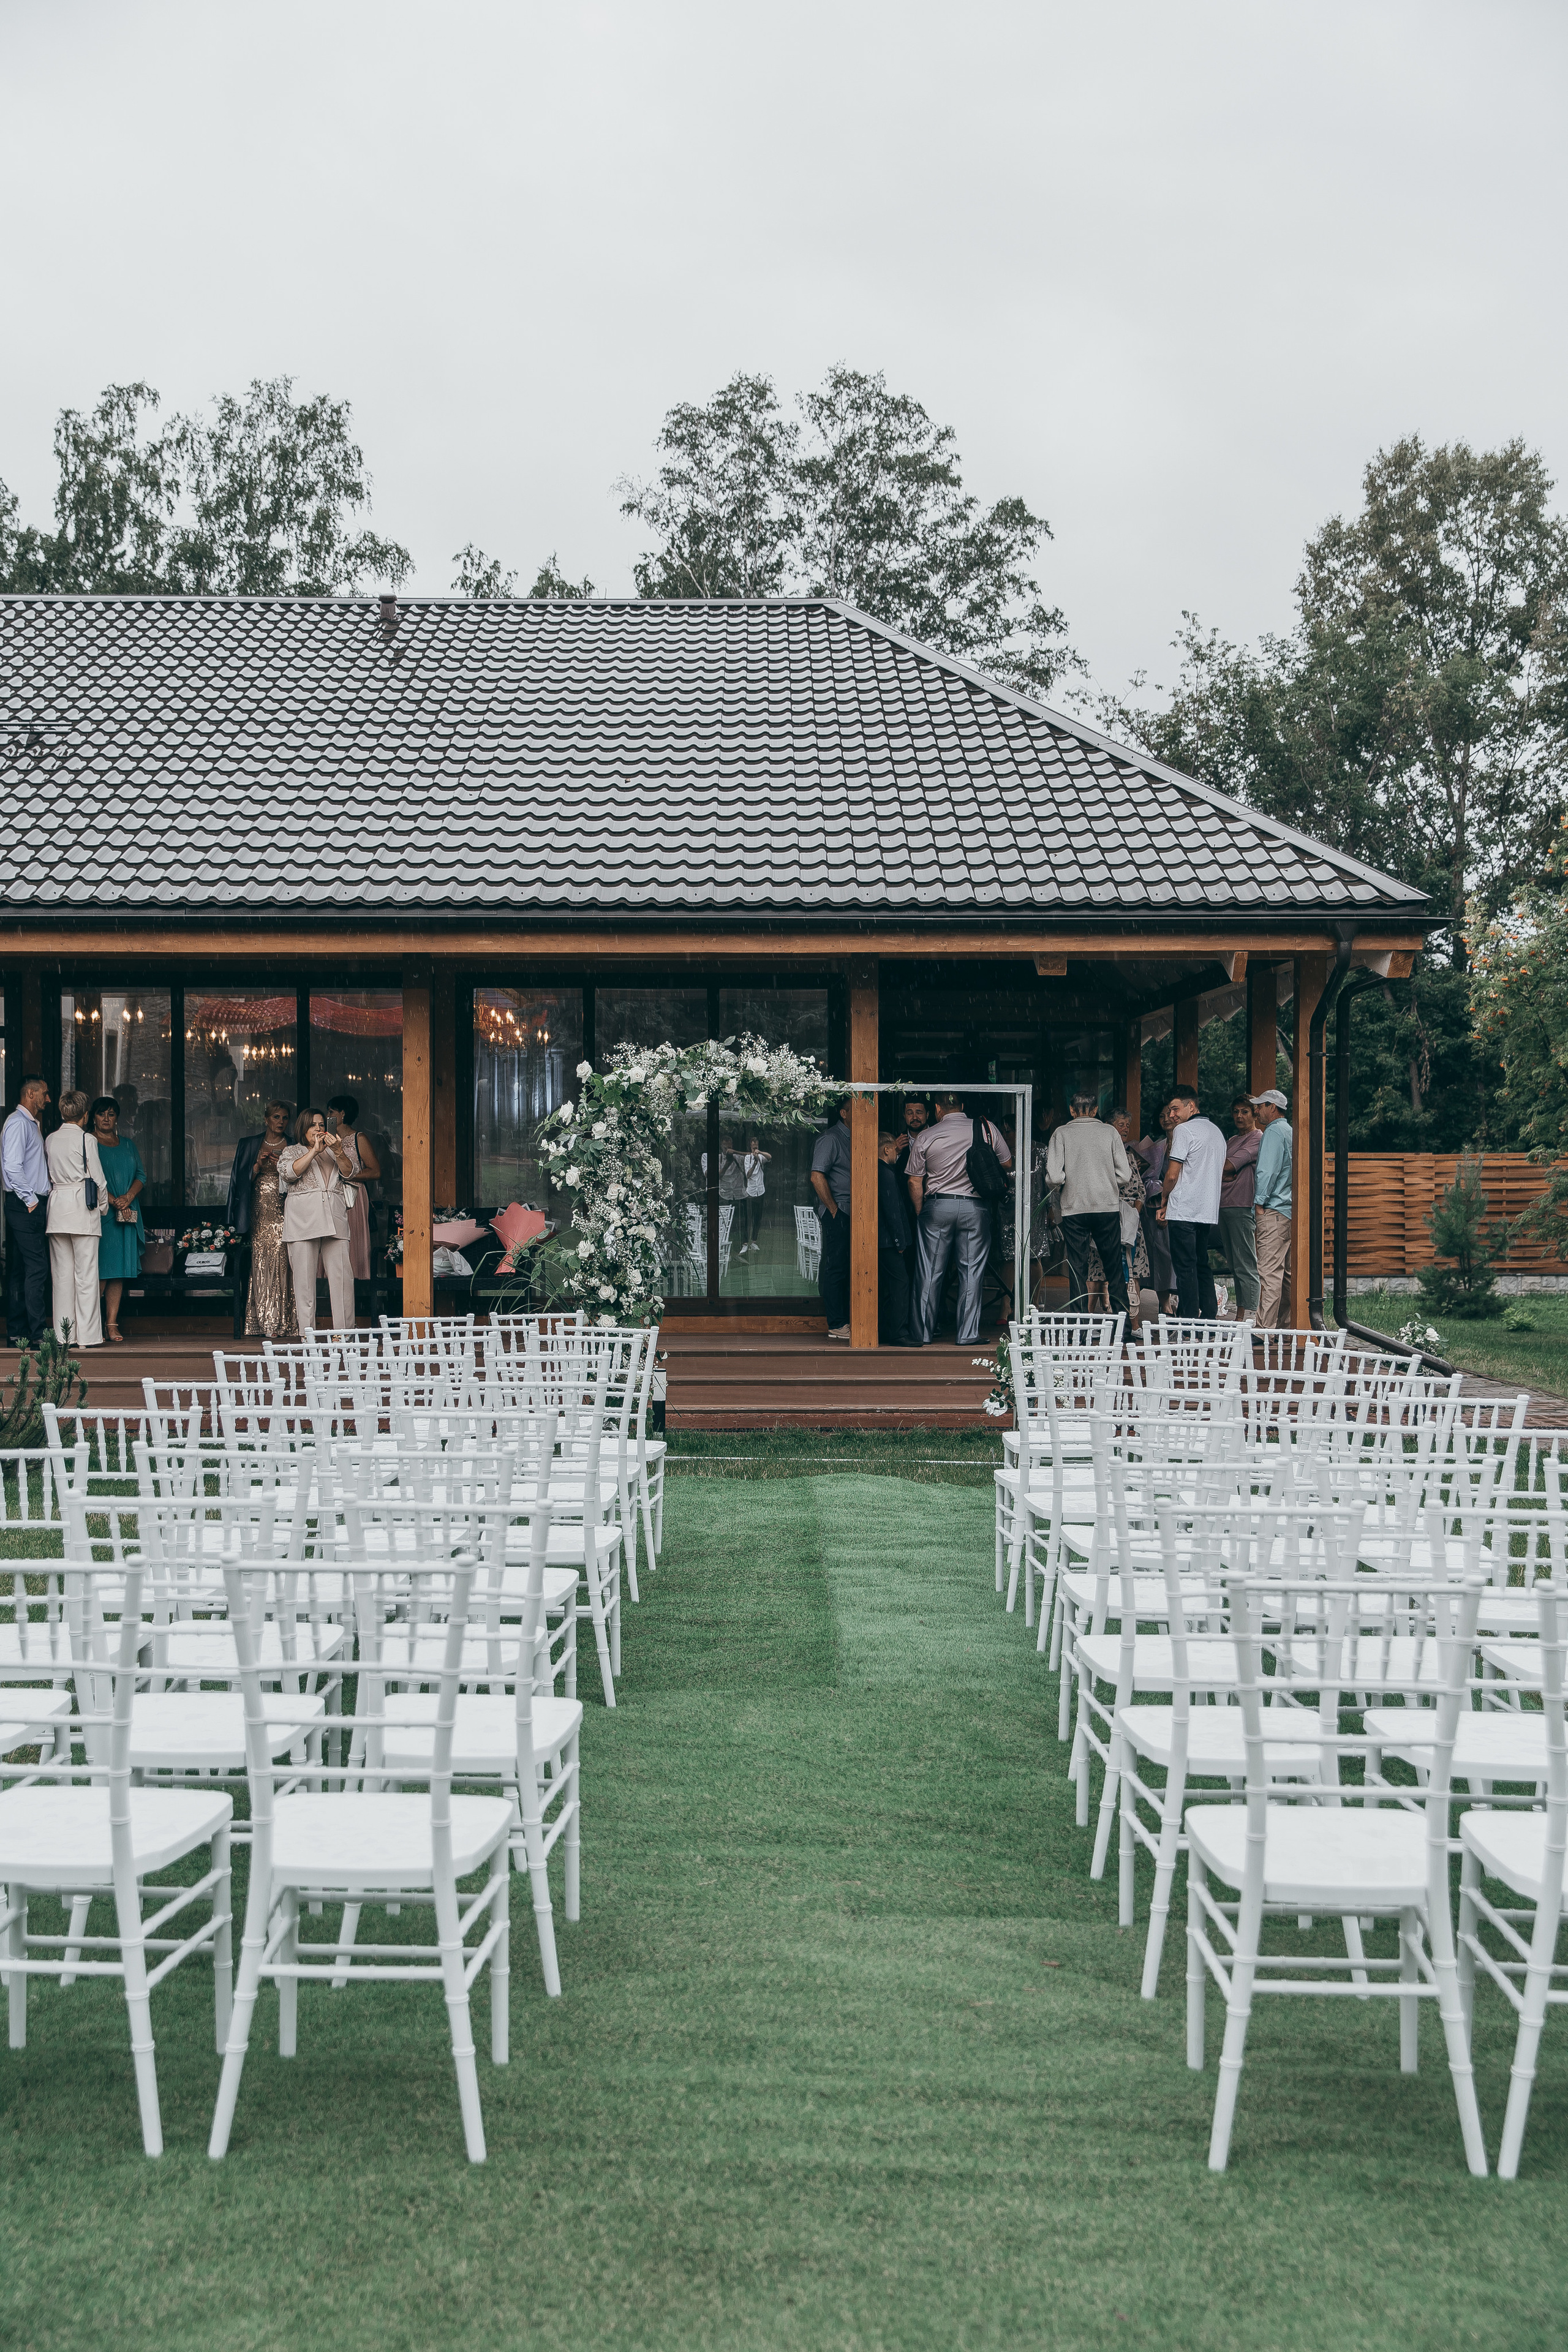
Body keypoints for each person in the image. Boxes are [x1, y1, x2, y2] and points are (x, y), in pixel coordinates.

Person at [907, 1092, 1012, 1347]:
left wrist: (922, 1211)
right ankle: (967, 1334)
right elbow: (1007, 1163)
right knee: (971, 1271)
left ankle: (922, 1334)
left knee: (929, 1273)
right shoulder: (986, 1128)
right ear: (962, 1107)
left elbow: (913, 1179)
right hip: (975, 1207)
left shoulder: (926, 1136)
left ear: (938, 1110)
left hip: (937, 1205)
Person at [1044, 1093, 1131, 1317]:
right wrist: (1107, 1183)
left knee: (1077, 1269)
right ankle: (1124, 1328)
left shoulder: (1061, 1133)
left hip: (1074, 1208)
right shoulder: (1110, 1132)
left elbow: (1054, 1177)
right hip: (1106, 1207)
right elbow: (1125, 1175)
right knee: (1114, 1269)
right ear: (1095, 1110)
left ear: (1072, 1111)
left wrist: (1065, 1184)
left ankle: (1079, 1328)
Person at [277, 1107, 355, 1332]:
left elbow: (351, 1173)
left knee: (343, 1282)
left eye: (322, 1125)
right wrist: (314, 1151)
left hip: (335, 1221)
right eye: (313, 1125)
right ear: (303, 1128)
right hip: (303, 1224)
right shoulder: (292, 1151)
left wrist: (338, 1151)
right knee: (305, 1285)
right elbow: (289, 1173)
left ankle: (344, 1335)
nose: (319, 1129)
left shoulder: (338, 1150)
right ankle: (308, 1337)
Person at [1156, 1088, 1227, 1320]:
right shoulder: (1217, 1132)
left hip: (1184, 1209)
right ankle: (1209, 1316)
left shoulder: (1184, 1131)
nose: (1172, 1115)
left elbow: (1172, 1175)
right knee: (1202, 1265)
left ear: (1191, 1107)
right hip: (1206, 1211)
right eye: (1169, 1111)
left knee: (1185, 1268)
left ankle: (1187, 1321)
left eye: (1176, 1109)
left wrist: (1164, 1199)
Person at [44, 1090, 107, 1348]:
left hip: (57, 1207)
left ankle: (64, 1335)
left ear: (61, 1112)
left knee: (61, 1277)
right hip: (82, 1208)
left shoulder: (50, 1139)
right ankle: (89, 1336)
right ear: (85, 1115)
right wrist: (102, 1208)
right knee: (87, 1275)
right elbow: (99, 1180)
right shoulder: (87, 1140)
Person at [90, 1095, 146, 1344]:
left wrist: (128, 1197)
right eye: (102, 1114)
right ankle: (92, 1326)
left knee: (118, 1273)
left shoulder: (128, 1144)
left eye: (111, 1114)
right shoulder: (88, 1143)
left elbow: (141, 1175)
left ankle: (112, 1324)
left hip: (126, 1213)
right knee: (100, 1271)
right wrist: (113, 1200)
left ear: (117, 1119)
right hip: (103, 1214)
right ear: (93, 1117)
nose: (106, 1118)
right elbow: (88, 1179)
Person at [2, 1073, 53, 1347]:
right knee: (37, 1268)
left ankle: (18, 1332)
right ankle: (37, 1336)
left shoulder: (29, 1124)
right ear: (30, 1094)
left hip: (25, 1204)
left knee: (22, 1269)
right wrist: (31, 1200)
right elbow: (12, 1166)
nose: (48, 1098)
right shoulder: (18, 1123)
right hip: (25, 1205)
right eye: (44, 1093)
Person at [244, 1100, 298, 1339]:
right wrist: (257, 1166)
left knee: (286, 1260)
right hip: (261, 1210)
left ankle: (286, 1322)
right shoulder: (250, 1144)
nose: (280, 1122)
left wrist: (284, 1169)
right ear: (266, 1119)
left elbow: (302, 1176)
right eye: (276, 1117)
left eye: (285, 1118)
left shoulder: (294, 1145)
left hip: (287, 1206)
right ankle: (264, 1321)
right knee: (262, 1260)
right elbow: (239, 1182)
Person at [809, 1099, 853, 1339]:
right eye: (857, 1109)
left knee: (847, 1267)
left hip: (854, 1213)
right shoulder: (831, 1139)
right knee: (836, 1267)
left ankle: (846, 1319)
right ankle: (837, 1324)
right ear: (844, 1113)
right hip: (840, 1212)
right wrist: (835, 1211)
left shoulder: (856, 1138)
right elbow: (817, 1177)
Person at [325, 1095, 381, 1283]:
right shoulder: (326, 1138)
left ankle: (356, 1285)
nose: (328, 1115)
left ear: (342, 1113)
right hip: (331, 1194)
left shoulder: (359, 1138)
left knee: (352, 1239)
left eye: (331, 1111)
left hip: (353, 1195)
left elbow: (375, 1172)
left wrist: (347, 1175)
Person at [1251, 1088, 1294, 1327]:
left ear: (1273, 1108)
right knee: (1286, 1276)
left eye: (1261, 1105)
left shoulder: (1273, 1132)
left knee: (1269, 1273)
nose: (1257, 1110)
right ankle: (1284, 1325)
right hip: (1288, 1210)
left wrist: (1259, 1203)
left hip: (1273, 1210)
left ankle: (1263, 1329)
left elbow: (1267, 1170)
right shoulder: (1290, 1131)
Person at [1109, 1108, 1154, 1327]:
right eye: (1121, 1124)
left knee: (1133, 1267)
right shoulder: (1103, 1152)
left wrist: (1135, 1212)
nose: (1125, 1128)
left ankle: (1134, 1322)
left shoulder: (1129, 1155)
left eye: (1127, 1125)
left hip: (1130, 1217)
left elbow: (1141, 1190)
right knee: (1102, 1270)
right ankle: (1103, 1321)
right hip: (1108, 1214)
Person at [1218, 1096, 1262, 1323]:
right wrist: (1225, 1171)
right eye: (1236, 1112)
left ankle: (1251, 1316)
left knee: (1245, 1261)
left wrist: (1227, 1170)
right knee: (1234, 1264)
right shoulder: (1232, 1140)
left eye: (1245, 1112)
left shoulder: (1258, 1138)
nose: (1239, 1117)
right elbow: (1218, 1167)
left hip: (1242, 1204)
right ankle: (1241, 1313)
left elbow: (1226, 1166)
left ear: (1255, 1114)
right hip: (1224, 1204)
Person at [1134, 1103, 1179, 1310]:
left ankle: (1178, 1299)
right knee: (1158, 1255)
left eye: (1170, 1115)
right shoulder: (1158, 1146)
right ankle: (1164, 1303)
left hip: (1178, 1206)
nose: (1167, 1119)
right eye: (1162, 1116)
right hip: (1154, 1207)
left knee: (1174, 1255)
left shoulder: (1184, 1142)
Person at [876, 1131, 917, 1344]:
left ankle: (885, 1329)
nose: (896, 1154)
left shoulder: (878, 1171)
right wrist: (900, 1242)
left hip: (882, 1241)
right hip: (890, 1242)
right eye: (894, 1149)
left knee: (888, 1285)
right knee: (901, 1283)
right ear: (886, 1149)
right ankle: (899, 1332)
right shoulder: (886, 1173)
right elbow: (893, 1211)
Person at [739, 1134, 770, 1253]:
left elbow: (770, 1157)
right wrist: (755, 1163)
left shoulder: (761, 1157)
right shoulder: (748, 1159)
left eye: (756, 1146)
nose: (755, 1149)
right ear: (750, 1147)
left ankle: (754, 1242)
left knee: (758, 1218)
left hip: (760, 1190)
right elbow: (748, 1175)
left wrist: (760, 1153)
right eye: (753, 1147)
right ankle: (745, 1243)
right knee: (748, 1218)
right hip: (751, 1192)